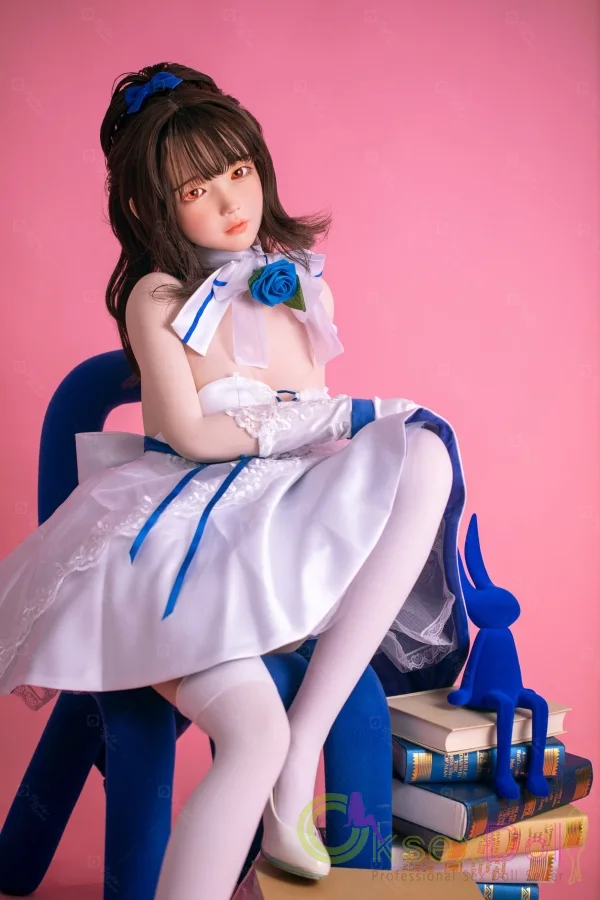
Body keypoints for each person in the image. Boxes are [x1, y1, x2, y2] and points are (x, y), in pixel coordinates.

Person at [0, 62, 467, 899]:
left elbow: (317, 435)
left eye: (239, 171)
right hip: (176, 551)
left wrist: (344, 428)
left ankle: (302, 760)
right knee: (252, 732)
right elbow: (188, 434)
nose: (229, 203)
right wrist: (322, 418)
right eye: (196, 190)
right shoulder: (158, 295)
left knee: (426, 451)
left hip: (270, 539)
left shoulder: (299, 287)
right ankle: (272, 773)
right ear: (150, 206)